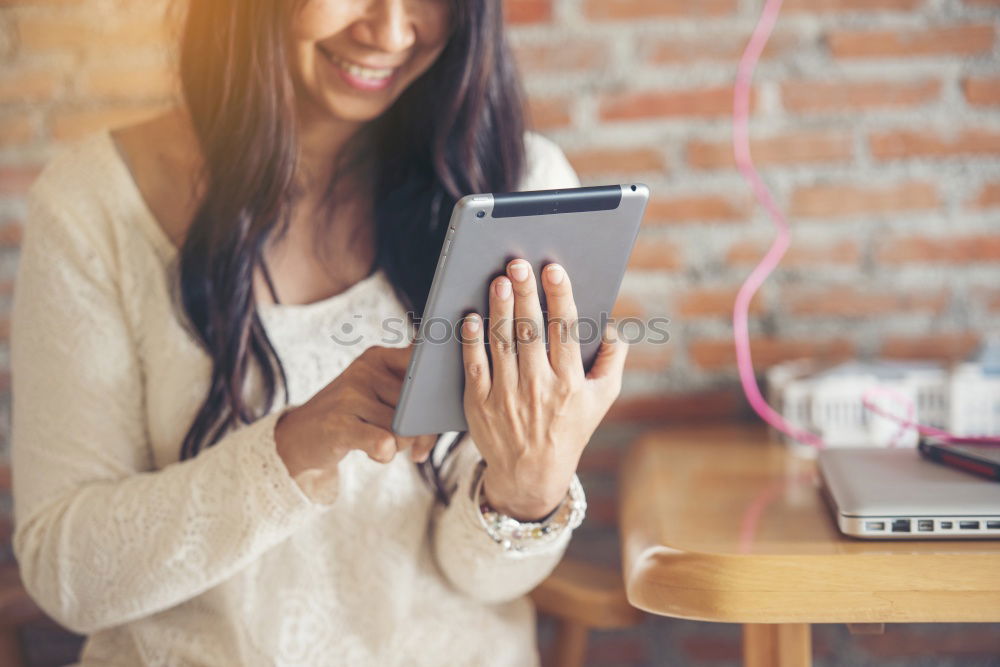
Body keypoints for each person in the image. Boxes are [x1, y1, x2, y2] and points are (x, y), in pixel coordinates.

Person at [10, 1, 628, 664]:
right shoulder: (94, 207)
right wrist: (294, 447)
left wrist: (529, 486)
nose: (390, 32)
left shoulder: (518, 185)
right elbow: (66, 575)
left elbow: (480, 576)